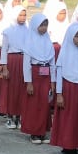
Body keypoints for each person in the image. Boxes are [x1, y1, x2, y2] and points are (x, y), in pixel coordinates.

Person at [20, 14, 55, 144]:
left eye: (46, 25)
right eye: (41, 25)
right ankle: (34, 132)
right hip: (34, 74)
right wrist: (28, 82)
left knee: (45, 104)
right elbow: (26, 65)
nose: (44, 28)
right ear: (35, 25)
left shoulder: (48, 41)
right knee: (34, 104)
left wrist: (53, 81)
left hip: (46, 75)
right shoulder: (29, 41)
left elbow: (52, 63)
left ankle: (42, 131)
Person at [0, 0, 29, 129]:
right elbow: (4, 50)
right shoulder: (8, 31)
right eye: (20, 15)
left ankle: (20, 115)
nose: (22, 18)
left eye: (24, 15)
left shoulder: (29, 31)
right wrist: (4, 68)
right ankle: (10, 116)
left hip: (25, 61)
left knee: (22, 89)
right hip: (12, 61)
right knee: (11, 89)